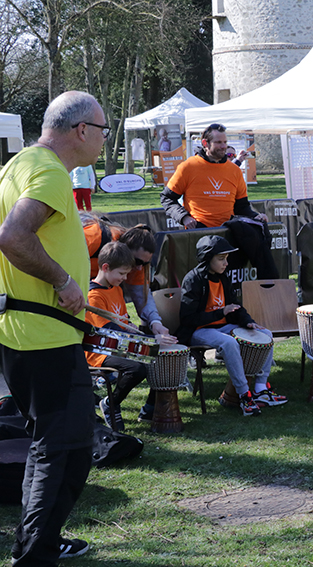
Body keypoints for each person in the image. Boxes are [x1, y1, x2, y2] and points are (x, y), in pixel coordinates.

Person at [0, 90, 106, 566]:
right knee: (62, 451)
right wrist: (63, 280)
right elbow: (13, 237)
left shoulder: (17, 165)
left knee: (63, 444)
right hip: (45, 336)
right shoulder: (47, 171)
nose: (105, 140)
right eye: (103, 130)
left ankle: (37, 544)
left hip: (27, 332)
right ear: (82, 130)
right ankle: (34, 556)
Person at [176, 235, 288, 416]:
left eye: (227, 258)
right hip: (199, 331)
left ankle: (260, 389)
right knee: (229, 343)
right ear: (207, 258)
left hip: (222, 327)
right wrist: (221, 312)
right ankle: (245, 395)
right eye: (221, 259)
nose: (226, 263)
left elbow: (235, 307)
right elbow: (188, 319)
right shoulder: (193, 280)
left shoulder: (223, 277)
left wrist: (248, 322)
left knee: (265, 333)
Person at [85, 242, 171, 431]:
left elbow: (123, 322)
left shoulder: (115, 287)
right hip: (99, 350)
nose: (125, 279)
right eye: (122, 274)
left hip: (116, 344)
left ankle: (149, 409)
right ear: (105, 268)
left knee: (159, 359)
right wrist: (149, 341)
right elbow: (109, 331)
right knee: (137, 368)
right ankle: (111, 404)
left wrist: (139, 330)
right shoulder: (94, 296)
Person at [161, 123, 268, 229]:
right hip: (199, 233)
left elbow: (242, 207)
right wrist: (184, 217)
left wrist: (256, 217)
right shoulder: (188, 167)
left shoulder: (235, 170)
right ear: (205, 143)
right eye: (218, 142)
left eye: (225, 142)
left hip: (229, 231)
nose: (223, 146)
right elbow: (167, 198)